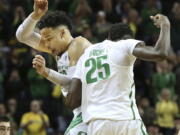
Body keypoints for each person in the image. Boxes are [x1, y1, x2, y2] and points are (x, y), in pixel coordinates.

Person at [66, 14, 171, 135]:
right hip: (125, 119)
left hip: (96, 125)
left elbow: (71, 101)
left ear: (109, 37)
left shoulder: (86, 54)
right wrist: (165, 24)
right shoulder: (124, 44)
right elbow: (160, 53)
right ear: (129, 39)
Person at [16, 0, 91, 134]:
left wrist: (46, 72)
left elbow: (73, 84)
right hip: (82, 110)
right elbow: (22, 36)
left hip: (91, 108)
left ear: (62, 33)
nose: (47, 46)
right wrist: (35, 15)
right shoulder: (59, 48)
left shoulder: (77, 45)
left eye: (49, 39)